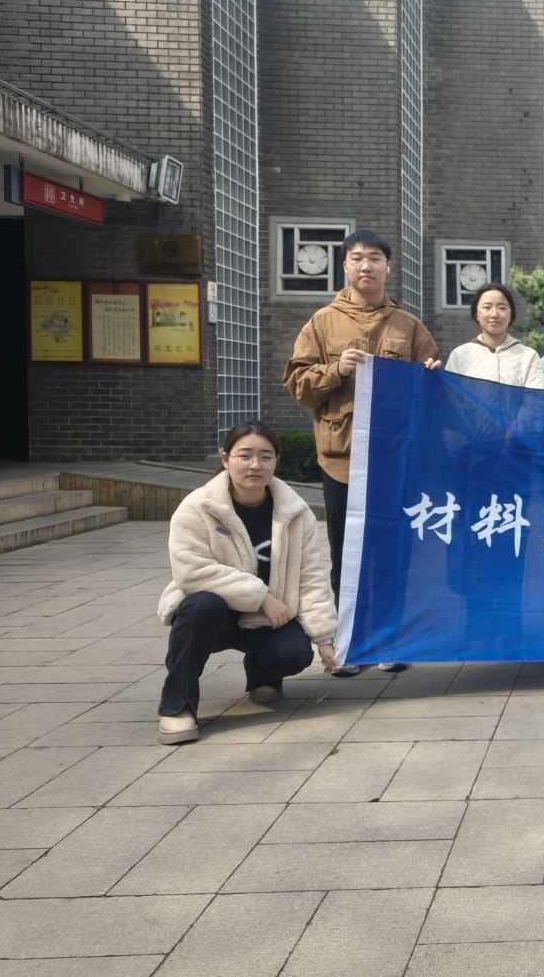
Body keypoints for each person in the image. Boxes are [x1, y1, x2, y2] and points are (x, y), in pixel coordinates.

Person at [282, 228, 440, 676]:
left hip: (395, 460)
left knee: (394, 551)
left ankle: (392, 640)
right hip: (342, 458)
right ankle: (349, 643)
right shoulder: (322, 322)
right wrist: (336, 369)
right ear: (345, 267)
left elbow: (432, 385)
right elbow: (298, 384)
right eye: (357, 258)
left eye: (374, 258)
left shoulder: (408, 325)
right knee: (347, 554)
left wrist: (432, 374)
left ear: (388, 267)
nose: (366, 265)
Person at [156, 421, 337, 744]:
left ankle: (262, 674)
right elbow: (191, 571)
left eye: (265, 456)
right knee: (200, 605)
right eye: (245, 455)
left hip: (268, 619)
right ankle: (177, 704)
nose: (255, 465)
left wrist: (324, 637)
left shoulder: (296, 512)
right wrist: (261, 596)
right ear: (226, 459)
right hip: (215, 617)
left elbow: (310, 576)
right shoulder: (197, 507)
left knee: (295, 653)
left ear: (276, 461)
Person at [444, 283, 544, 387]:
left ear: (511, 315)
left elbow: (536, 396)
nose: (494, 314)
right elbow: (450, 394)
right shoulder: (459, 355)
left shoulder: (528, 356)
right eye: (487, 307)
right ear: (476, 314)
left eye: (502, 308)